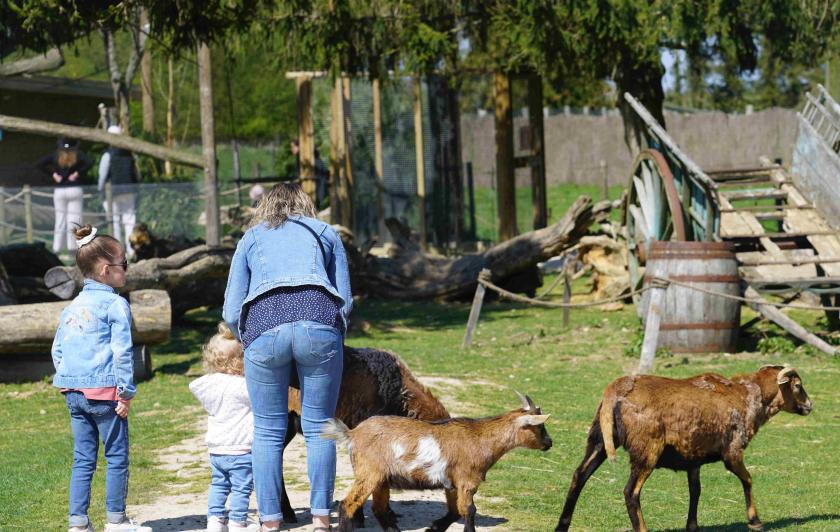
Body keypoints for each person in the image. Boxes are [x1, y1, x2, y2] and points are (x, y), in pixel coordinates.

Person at [222, 183, 351, 532]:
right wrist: (333, 336)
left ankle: (270, 521)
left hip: (263, 326)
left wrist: (247, 339)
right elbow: (346, 301)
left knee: (266, 429)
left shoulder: (250, 239)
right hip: (319, 322)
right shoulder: (325, 232)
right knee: (319, 426)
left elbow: (231, 309)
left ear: (265, 206)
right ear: (305, 204)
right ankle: (323, 517)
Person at [51, 224, 151, 532]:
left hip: (74, 393)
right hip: (106, 395)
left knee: (83, 459)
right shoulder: (115, 304)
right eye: (124, 265)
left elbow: (57, 349)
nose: (126, 270)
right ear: (107, 270)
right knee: (116, 457)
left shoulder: (72, 307)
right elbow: (123, 352)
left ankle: (78, 523)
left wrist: (68, 379)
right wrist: (125, 392)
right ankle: (116, 520)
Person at [189, 323, 260, 532]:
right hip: (240, 448)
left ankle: (215, 521)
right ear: (238, 361)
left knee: (218, 485)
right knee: (241, 488)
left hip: (217, 449)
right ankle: (238, 522)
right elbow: (259, 399)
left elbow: (193, 385)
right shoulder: (242, 386)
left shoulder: (207, 385)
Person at [37, 138, 94, 254]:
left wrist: (54, 174)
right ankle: (73, 249)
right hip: (75, 189)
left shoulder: (56, 155)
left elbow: (39, 164)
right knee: (74, 220)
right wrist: (77, 173)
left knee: (60, 220)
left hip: (60, 191)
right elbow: (90, 162)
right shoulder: (78, 154)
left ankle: (56, 249)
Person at [98, 125, 140, 259]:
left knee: (114, 221)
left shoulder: (108, 154)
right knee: (129, 220)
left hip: (113, 193)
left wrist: (100, 190)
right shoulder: (129, 154)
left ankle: (116, 253)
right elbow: (136, 174)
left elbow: (102, 175)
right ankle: (132, 250)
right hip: (129, 191)